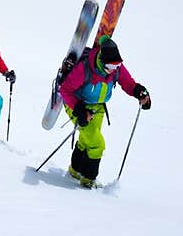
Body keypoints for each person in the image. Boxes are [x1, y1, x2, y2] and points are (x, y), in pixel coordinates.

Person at [59, 36, 151, 186]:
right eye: (112, 66)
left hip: (98, 108)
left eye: (117, 65)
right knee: (97, 144)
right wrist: (80, 110)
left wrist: (139, 92)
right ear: (102, 61)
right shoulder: (84, 69)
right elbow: (65, 90)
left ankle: (74, 172)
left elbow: (128, 83)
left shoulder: (115, 68)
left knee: (86, 141)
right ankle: (88, 180)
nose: (115, 69)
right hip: (77, 105)